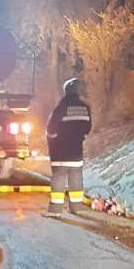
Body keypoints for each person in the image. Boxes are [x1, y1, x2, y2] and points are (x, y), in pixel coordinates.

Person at [43, 78, 92, 218]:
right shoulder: (85, 108)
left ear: (66, 91)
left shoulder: (61, 108)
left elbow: (51, 130)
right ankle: (76, 208)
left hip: (60, 154)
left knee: (58, 180)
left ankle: (55, 211)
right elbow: (87, 129)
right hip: (76, 153)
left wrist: (51, 142)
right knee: (76, 180)